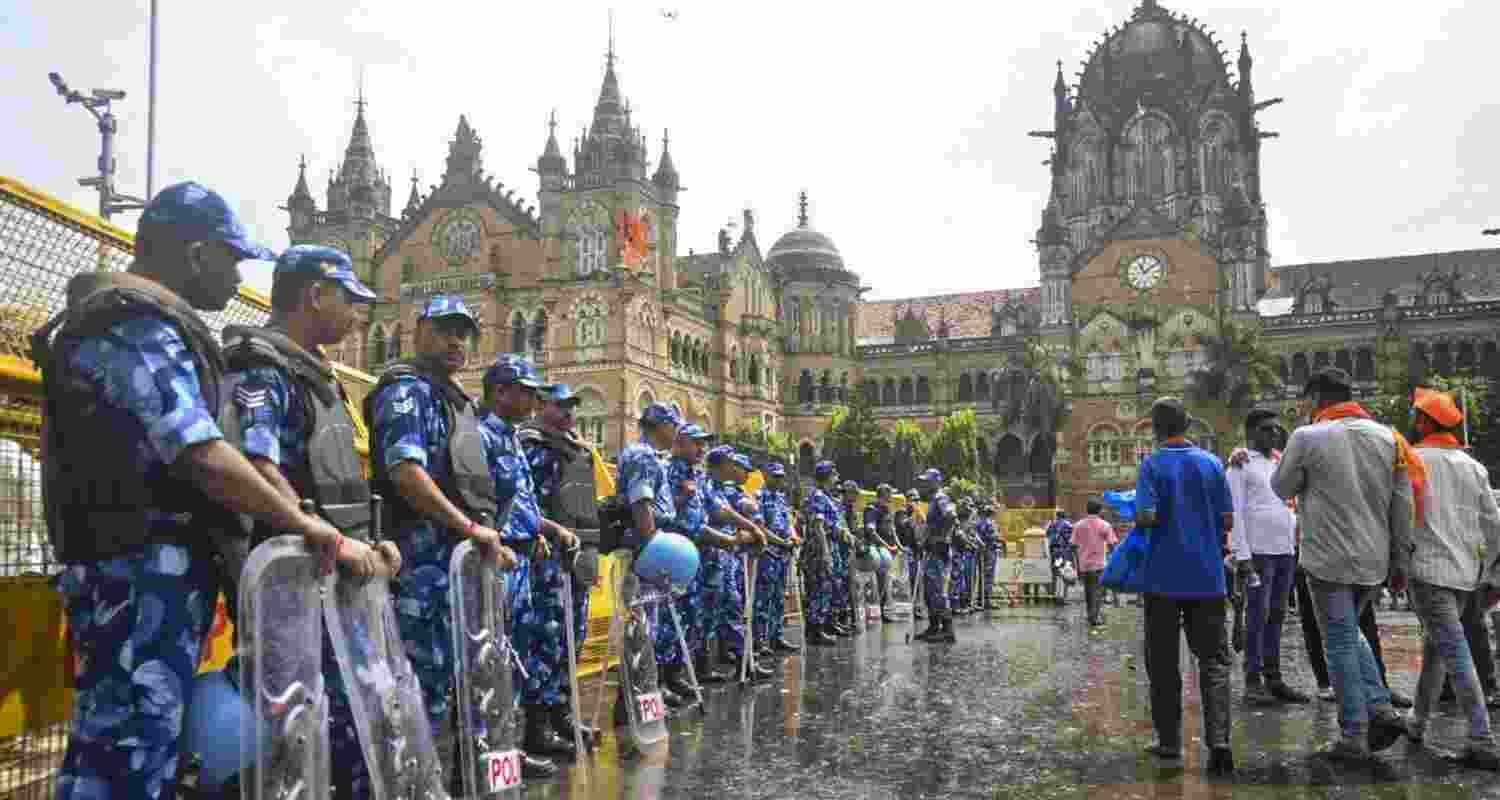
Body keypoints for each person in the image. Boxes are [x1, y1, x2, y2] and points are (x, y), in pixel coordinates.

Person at [38, 184, 368, 800]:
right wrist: (305, 523)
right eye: (231, 258)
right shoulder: (130, 321)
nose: (237, 274)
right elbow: (199, 451)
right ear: (196, 256)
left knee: (147, 747)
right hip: (135, 569)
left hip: (156, 572)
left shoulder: (151, 321)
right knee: (124, 751)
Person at [220, 244, 403, 798]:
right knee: (296, 727)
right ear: (315, 294)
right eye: (349, 299)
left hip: (333, 580)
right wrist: (322, 537)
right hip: (291, 585)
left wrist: (370, 542)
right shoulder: (262, 366)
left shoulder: (315, 375)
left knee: (350, 723)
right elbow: (257, 465)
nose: (357, 314)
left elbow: (335, 477)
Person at [364, 295, 536, 780]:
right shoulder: (408, 391)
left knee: (469, 681)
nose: (456, 341)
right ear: (418, 330)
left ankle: (460, 780)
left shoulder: (452, 399)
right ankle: (418, 783)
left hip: (461, 567)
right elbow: (405, 473)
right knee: (422, 688)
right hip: (423, 569)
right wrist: (470, 529)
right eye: (444, 329)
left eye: (464, 332)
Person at [1271, 367, 1414, 762]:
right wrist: (1401, 558)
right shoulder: (1390, 437)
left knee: (1338, 641)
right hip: (1373, 558)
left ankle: (1353, 733)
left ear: (1316, 397)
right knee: (1350, 632)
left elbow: (1281, 487)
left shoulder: (1307, 436)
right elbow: (1403, 505)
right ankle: (1380, 707)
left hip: (1327, 557)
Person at [479, 356, 582, 764]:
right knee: (492, 656)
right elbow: (480, 500)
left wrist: (544, 531)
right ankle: (488, 753)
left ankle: (510, 746)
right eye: (525, 391)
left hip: (524, 555)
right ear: (501, 392)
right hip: (499, 558)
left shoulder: (509, 437)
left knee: (514, 653)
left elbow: (521, 502)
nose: (533, 399)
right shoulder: (485, 437)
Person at [1135, 397, 1235, 775]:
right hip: (1207, 577)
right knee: (1213, 660)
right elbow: (1226, 521)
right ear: (1187, 425)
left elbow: (1147, 517)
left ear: (1157, 429)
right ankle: (1220, 743)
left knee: (1162, 662)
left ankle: (1169, 742)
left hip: (1162, 577)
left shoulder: (1153, 464)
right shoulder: (1212, 463)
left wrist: (1140, 514)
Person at [1401, 387, 1500, 766]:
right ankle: (1417, 721)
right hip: (1463, 575)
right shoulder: (1473, 467)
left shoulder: (1413, 459)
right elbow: (1494, 525)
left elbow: (1400, 514)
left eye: (1417, 416)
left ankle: (1481, 738)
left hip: (1427, 572)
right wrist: (1492, 573)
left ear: (1426, 422)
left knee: (1454, 654)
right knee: (1436, 652)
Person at [518, 383, 598, 744]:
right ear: (540, 405)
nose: (568, 413)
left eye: (572, 406)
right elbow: (526, 503)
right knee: (546, 641)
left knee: (571, 638)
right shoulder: (533, 444)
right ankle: (537, 727)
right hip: (549, 560)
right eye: (560, 405)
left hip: (578, 558)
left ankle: (562, 715)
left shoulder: (575, 448)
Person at [1229, 409, 1310, 706]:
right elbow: (1235, 511)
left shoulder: (1280, 461)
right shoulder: (1240, 464)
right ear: (1250, 432)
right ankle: (1252, 680)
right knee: (1257, 616)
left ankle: (1274, 679)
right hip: (1257, 553)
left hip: (1285, 550)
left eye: (1277, 429)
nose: (1274, 434)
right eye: (1266, 429)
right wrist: (1241, 554)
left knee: (1277, 614)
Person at [613, 402, 682, 722]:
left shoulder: (650, 455)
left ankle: (638, 698)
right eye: (674, 425)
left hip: (648, 548)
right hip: (644, 551)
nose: (677, 432)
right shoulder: (642, 456)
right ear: (659, 425)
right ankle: (632, 702)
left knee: (646, 628)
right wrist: (656, 551)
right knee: (640, 628)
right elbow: (642, 507)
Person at [656, 423, 730, 693]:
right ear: (680, 442)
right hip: (675, 552)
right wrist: (681, 497)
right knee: (668, 618)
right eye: (696, 443)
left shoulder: (695, 475)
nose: (702, 449)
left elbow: (709, 513)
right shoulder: (667, 471)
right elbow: (662, 515)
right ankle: (662, 680)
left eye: (704, 444)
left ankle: (676, 675)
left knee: (688, 616)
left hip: (696, 554)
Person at [706, 447, 776, 680]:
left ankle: (743, 660)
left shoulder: (729, 490)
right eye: (742, 468)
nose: (745, 473)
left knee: (732, 608)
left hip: (729, 557)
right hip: (718, 555)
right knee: (726, 610)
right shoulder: (719, 488)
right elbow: (727, 513)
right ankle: (740, 660)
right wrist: (751, 529)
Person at [800, 462, 845, 645]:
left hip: (826, 546)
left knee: (824, 588)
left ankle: (820, 626)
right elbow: (818, 526)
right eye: (834, 475)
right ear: (827, 476)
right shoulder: (818, 496)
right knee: (818, 589)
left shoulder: (825, 497)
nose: (837, 478)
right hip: (817, 550)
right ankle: (815, 631)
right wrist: (826, 553)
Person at [757, 463, 801, 650]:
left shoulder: (781, 499)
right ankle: (760, 641)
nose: (779, 480)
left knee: (778, 598)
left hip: (783, 555)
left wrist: (792, 536)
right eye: (775, 476)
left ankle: (776, 637)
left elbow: (788, 522)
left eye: (781, 476)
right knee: (763, 600)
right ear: (766, 477)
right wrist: (781, 543)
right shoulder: (760, 498)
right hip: (768, 554)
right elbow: (761, 528)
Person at [915, 469, 958, 643]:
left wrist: (940, 538)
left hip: (939, 551)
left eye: (928, 481)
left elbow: (951, 516)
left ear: (937, 482)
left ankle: (947, 630)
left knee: (939, 591)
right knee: (930, 590)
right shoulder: (933, 500)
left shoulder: (941, 498)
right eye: (924, 481)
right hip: (931, 551)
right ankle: (933, 627)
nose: (924, 484)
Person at [1070, 500, 1118, 627]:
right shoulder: (1105, 525)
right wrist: (1114, 559)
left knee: (1088, 591)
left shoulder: (1078, 525)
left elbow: (1073, 545)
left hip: (1084, 564)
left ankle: (1090, 614)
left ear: (1087, 509)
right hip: (1099, 565)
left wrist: (1076, 564)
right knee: (1097, 592)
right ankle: (1094, 617)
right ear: (1100, 510)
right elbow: (1112, 544)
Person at [863, 484, 900, 622]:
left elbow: (892, 531)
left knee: (886, 580)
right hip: (875, 550)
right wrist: (888, 547)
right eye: (890, 494)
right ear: (884, 494)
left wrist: (899, 547)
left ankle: (885, 610)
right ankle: (876, 610)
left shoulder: (887, 510)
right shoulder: (872, 510)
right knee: (879, 580)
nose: (892, 497)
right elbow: (871, 532)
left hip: (886, 550)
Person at [975, 501, 1000, 610]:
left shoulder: (981, 522)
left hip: (985, 550)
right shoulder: (989, 523)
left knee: (983, 575)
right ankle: (986, 600)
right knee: (988, 576)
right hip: (989, 551)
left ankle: (982, 599)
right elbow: (991, 537)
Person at [1047, 511, 1075, 602]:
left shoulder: (1052, 524)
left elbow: (1047, 535)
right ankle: (1062, 597)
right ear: (1065, 516)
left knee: (1055, 573)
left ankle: (1053, 594)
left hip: (1053, 552)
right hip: (1063, 552)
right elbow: (1071, 540)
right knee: (1064, 573)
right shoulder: (1068, 525)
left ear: (1057, 516)